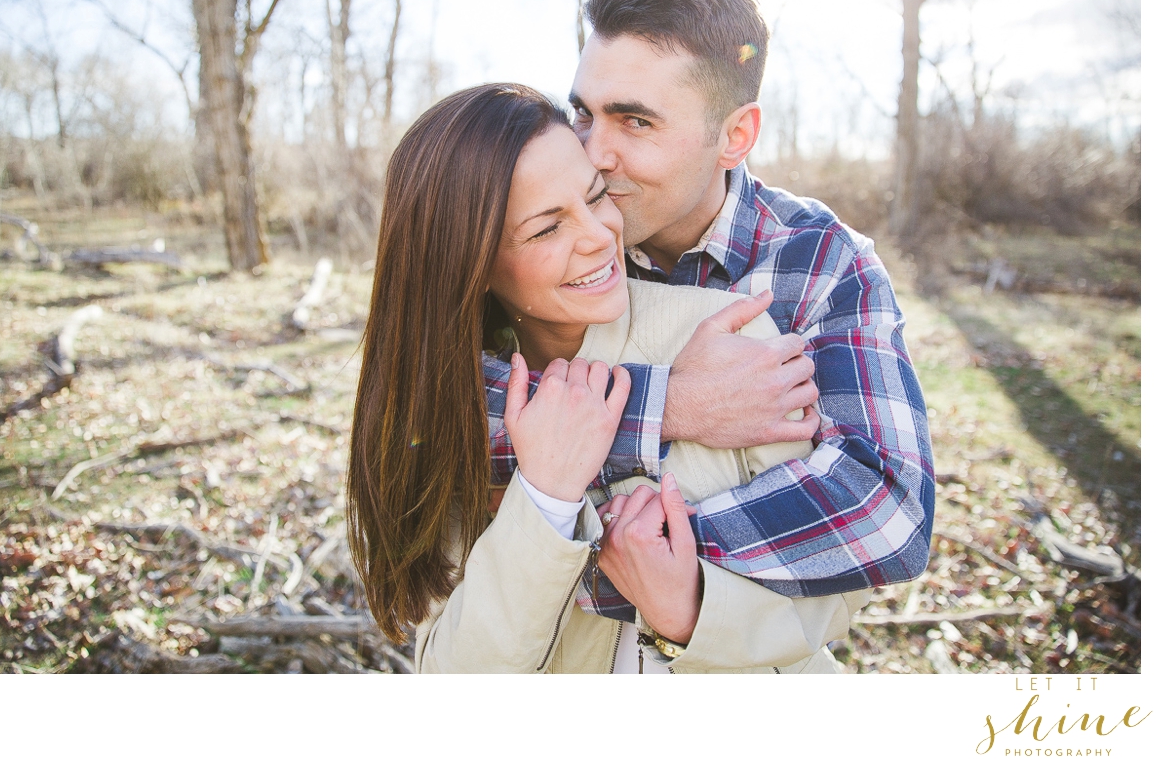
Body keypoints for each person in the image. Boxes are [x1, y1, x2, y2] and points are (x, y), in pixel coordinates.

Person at [347, 83, 868, 673]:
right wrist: (543, 497)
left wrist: (691, 611)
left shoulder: (727, 342)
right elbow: (455, 673)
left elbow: (837, 593)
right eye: (547, 229)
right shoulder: (446, 412)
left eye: (595, 197)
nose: (599, 237)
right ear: (470, 262)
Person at [481, 0, 934, 633]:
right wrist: (668, 406)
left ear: (735, 136)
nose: (593, 153)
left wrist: (641, 565)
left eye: (635, 123)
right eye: (584, 112)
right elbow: (433, 408)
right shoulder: (560, 237)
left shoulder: (818, 263)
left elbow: (883, 507)